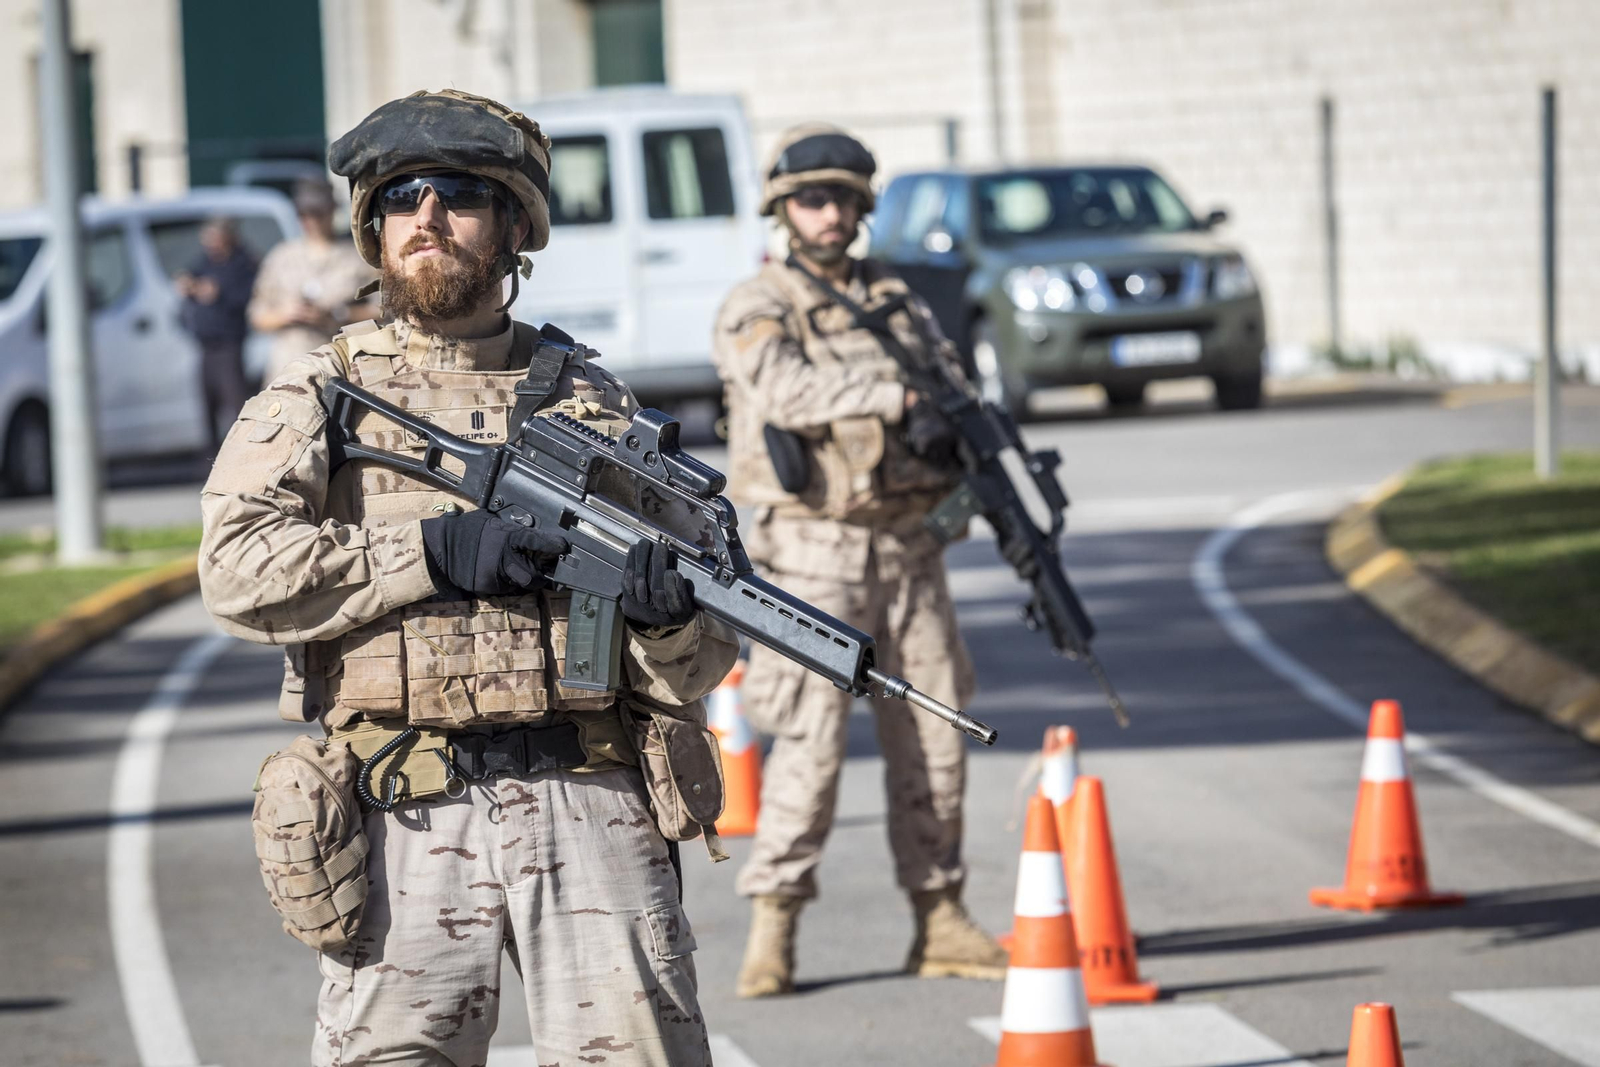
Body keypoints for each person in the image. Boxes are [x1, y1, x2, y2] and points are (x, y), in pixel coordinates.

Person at [198, 89, 738, 1067]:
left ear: (513, 227)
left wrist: (664, 623)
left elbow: (698, 662)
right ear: (371, 229)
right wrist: (429, 554)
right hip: (403, 801)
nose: (427, 218)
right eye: (401, 198)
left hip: (589, 797)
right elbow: (234, 570)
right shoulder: (320, 397)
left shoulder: (595, 405)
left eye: (458, 194)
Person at [710, 124, 1007, 998]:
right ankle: (776, 923)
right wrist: (896, 395)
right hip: (812, 551)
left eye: (844, 198)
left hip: (911, 546)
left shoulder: (899, 302)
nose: (830, 213)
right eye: (813, 199)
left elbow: (953, 393)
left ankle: (941, 914)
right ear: (783, 210)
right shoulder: (757, 302)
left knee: (936, 730)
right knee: (810, 739)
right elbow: (787, 391)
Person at [248, 179, 377, 383]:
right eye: (303, 214)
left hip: (339, 369)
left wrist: (338, 314)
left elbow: (384, 313)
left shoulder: (358, 259)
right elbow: (257, 316)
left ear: (333, 210)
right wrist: (285, 315)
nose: (311, 220)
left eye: (318, 212)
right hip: (287, 370)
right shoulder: (282, 257)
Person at [175, 217, 257, 453]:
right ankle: (211, 460)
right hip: (206, 345)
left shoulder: (242, 264)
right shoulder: (206, 262)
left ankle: (243, 454)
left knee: (235, 404)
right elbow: (191, 277)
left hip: (229, 345)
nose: (211, 244)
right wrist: (189, 285)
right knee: (208, 407)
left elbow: (246, 299)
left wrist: (218, 293)